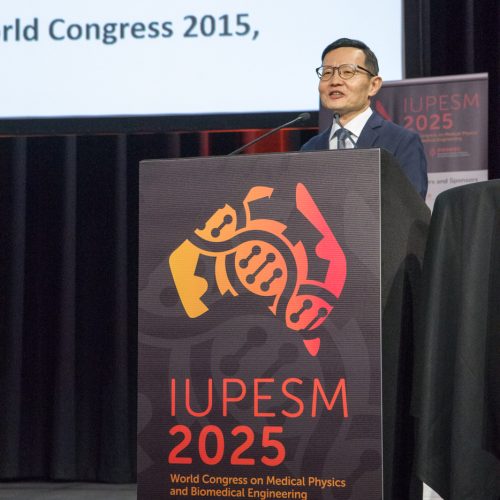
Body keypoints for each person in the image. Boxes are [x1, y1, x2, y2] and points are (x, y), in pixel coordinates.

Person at [301, 38, 428, 199]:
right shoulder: (309, 148)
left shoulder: (402, 142)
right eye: (327, 73)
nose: (335, 81)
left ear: (373, 85)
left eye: (347, 72)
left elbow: (410, 207)